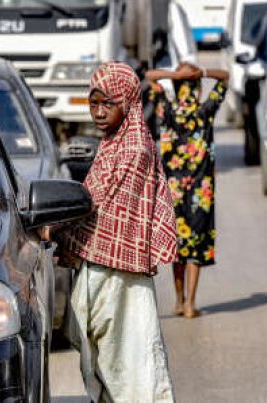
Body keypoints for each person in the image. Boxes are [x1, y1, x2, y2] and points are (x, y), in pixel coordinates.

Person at [54, 62, 178, 402]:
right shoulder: (114, 142)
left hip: (120, 273)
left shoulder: (133, 149)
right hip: (103, 270)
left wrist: (60, 232)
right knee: (109, 353)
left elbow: (101, 207)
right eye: (93, 104)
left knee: (129, 357)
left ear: (127, 101)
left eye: (106, 103)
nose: (97, 112)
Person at [144, 62, 229, 319]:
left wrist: (173, 75)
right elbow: (225, 77)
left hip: (173, 191)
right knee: (195, 246)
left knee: (178, 246)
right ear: (198, 90)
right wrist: (201, 72)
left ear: (178, 86)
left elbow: (149, 76)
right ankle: (191, 303)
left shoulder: (166, 111)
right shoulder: (206, 111)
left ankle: (179, 301)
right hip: (201, 192)